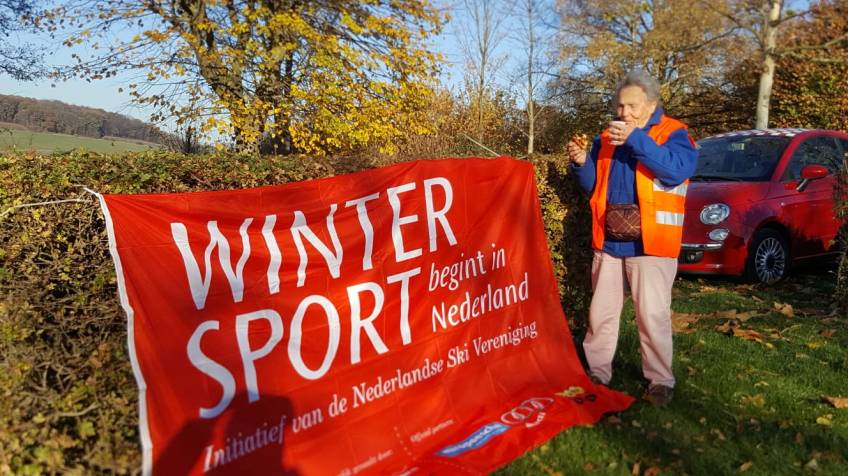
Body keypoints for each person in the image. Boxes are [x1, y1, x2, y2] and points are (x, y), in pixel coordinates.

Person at [566, 70, 697, 407]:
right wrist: (581, 163)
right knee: (601, 314)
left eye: (632, 106)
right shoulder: (605, 137)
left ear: (651, 105)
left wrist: (636, 139)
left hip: (651, 244)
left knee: (652, 316)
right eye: (620, 106)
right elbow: (594, 186)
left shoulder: (674, 133)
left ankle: (660, 381)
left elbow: (676, 170)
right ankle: (597, 373)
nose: (623, 113)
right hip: (609, 240)